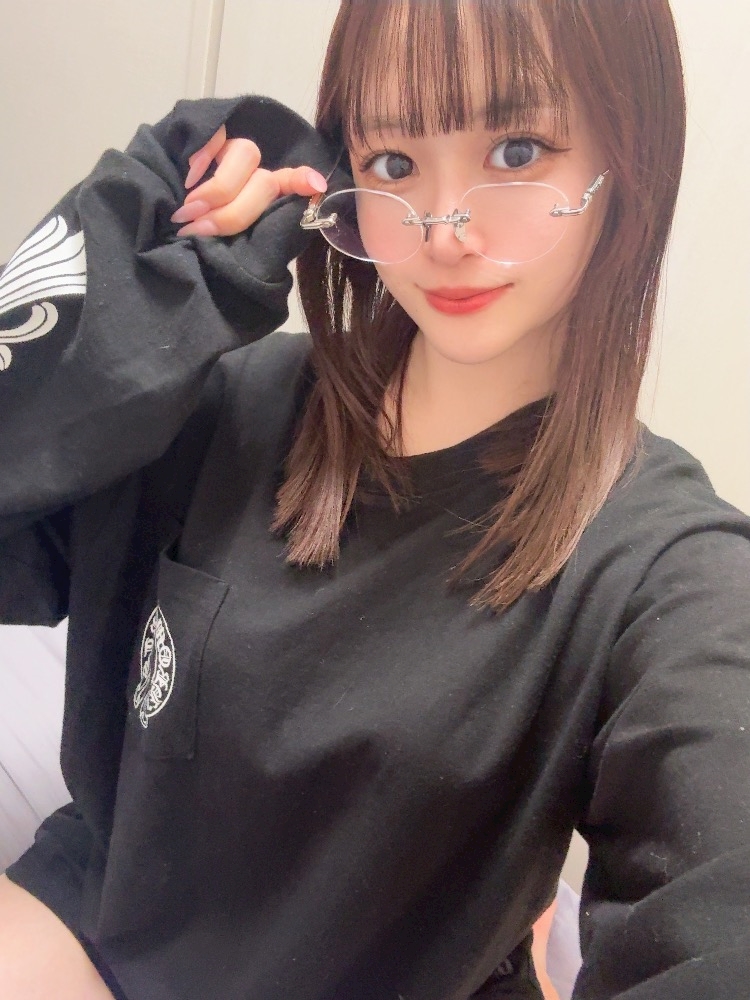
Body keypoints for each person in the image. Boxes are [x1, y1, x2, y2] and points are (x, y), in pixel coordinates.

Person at [0, 1, 748, 998]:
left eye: (516, 150)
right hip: (90, 936)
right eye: (394, 162)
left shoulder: (665, 565)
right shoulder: (222, 402)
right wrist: (139, 263)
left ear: (631, 154)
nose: (446, 229)